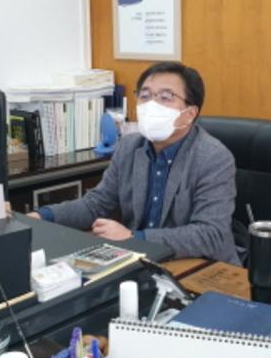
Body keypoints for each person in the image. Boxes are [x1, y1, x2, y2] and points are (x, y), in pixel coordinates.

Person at [29, 62, 241, 265]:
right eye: (145, 96)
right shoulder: (129, 147)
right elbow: (96, 205)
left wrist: (134, 237)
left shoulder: (213, 158)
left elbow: (210, 234)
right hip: (140, 259)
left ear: (190, 114)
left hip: (199, 266)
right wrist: (41, 216)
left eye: (166, 97)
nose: (151, 105)